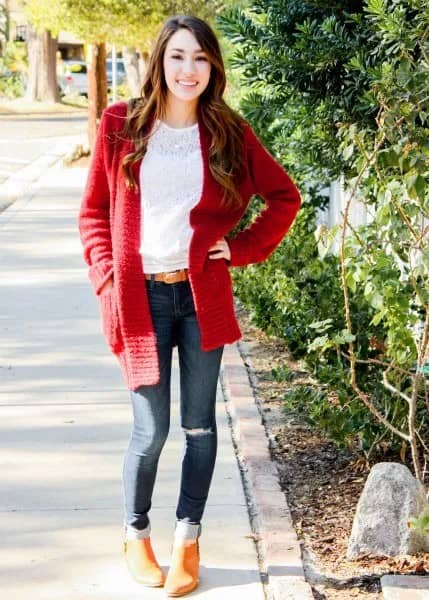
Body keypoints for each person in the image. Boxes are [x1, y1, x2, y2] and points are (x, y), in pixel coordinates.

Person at [78, 14, 301, 598]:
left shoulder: (228, 130)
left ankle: (188, 541)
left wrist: (243, 247)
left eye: (200, 58)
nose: (188, 69)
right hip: (140, 295)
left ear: (213, 68)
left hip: (201, 295)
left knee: (200, 429)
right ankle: (135, 535)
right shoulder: (120, 125)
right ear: (160, 61)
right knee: (149, 432)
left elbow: (284, 196)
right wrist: (106, 274)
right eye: (178, 56)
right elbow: (95, 213)